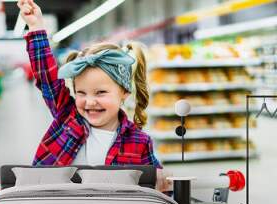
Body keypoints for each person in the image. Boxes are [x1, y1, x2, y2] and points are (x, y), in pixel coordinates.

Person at [18, 0, 171, 192]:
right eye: (81, 93)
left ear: (124, 92)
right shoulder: (67, 116)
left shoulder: (139, 141)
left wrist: (163, 183)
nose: (90, 102)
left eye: (101, 93)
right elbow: (47, 77)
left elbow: (154, 181)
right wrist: (36, 27)